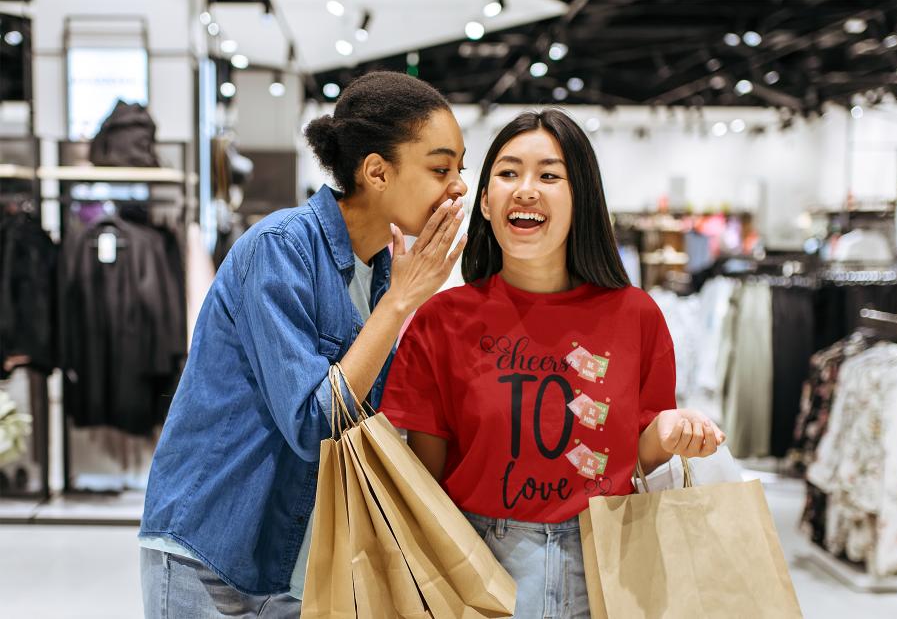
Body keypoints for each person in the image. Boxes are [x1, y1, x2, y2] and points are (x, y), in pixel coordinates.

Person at [138, 71, 468, 617]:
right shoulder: (281, 249)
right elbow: (315, 423)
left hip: (296, 559)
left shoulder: (386, 271)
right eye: (439, 168)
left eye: (459, 168)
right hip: (211, 552)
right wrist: (400, 305)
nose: (456, 186)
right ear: (376, 171)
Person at [379, 109, 726, 618]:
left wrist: (671, 432)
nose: (526, 189)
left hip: (608, 565)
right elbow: (425, 486)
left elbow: (636, 456)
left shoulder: (636, 316)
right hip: (478, 569)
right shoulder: (443, 320)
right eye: (508, 172)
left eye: (549, 175)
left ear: (580, 195)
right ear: (485, 200)